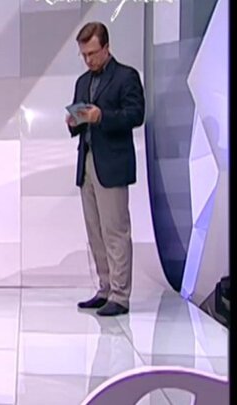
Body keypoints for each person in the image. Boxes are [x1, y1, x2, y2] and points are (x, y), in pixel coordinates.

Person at [66, 22, 145, 316]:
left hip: (111, 163)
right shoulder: (82, 82)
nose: (88, 60)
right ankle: (105, 288)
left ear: (106, 48)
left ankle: (120, 296)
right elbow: (79, 119)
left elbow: (136, 115)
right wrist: (73, 122)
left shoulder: (126, 76)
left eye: (92, 53)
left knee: (115, 231)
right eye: (84, 55)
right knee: (95, 231)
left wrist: (102, 117)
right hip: (87, 161)